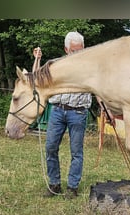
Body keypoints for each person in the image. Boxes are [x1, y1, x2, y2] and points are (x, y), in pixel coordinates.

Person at [33, 31, 92, 199]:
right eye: (74, 50)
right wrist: (37, 58)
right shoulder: (55, 64)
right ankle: (54, 184)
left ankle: (72, 188)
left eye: (80, 49)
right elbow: (36, 77)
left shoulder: (89, 66)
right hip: (57, 111)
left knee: (76, 152)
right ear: (66, 49)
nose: (78, 53)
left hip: (78, 112)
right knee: (50, 147)